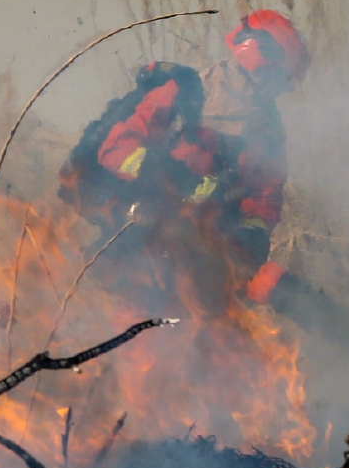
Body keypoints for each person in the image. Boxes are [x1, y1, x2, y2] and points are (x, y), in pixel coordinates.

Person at [58, 61, 251, 317]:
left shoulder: (231, 142)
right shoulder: (168, 99)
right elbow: (115, 152)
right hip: (99, 187)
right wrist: (170, 173)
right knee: (136, 242)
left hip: (149, 202)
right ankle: (82, 292)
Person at [199, 10, 309, 303]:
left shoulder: (268, 127)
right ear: (257, 59)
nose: (281, 88)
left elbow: (265, 191)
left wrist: (253, 236)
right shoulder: (195, 93)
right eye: (277, 75)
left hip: (211, 241)